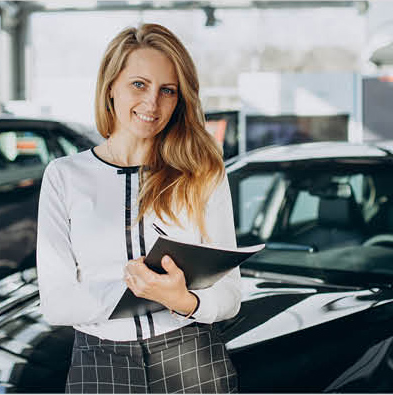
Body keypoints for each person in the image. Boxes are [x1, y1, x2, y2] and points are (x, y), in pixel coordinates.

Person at [36, 23, 241, 394]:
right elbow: (56, 302)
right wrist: (139, 290)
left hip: (193, 359)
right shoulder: (64, 176)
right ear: (110, 85)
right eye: (139, 84)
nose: (152, 104)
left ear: (180, 99)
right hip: (100, 364)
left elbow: (229, 297)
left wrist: (181, 299)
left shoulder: (202, 172)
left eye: (168, 91)